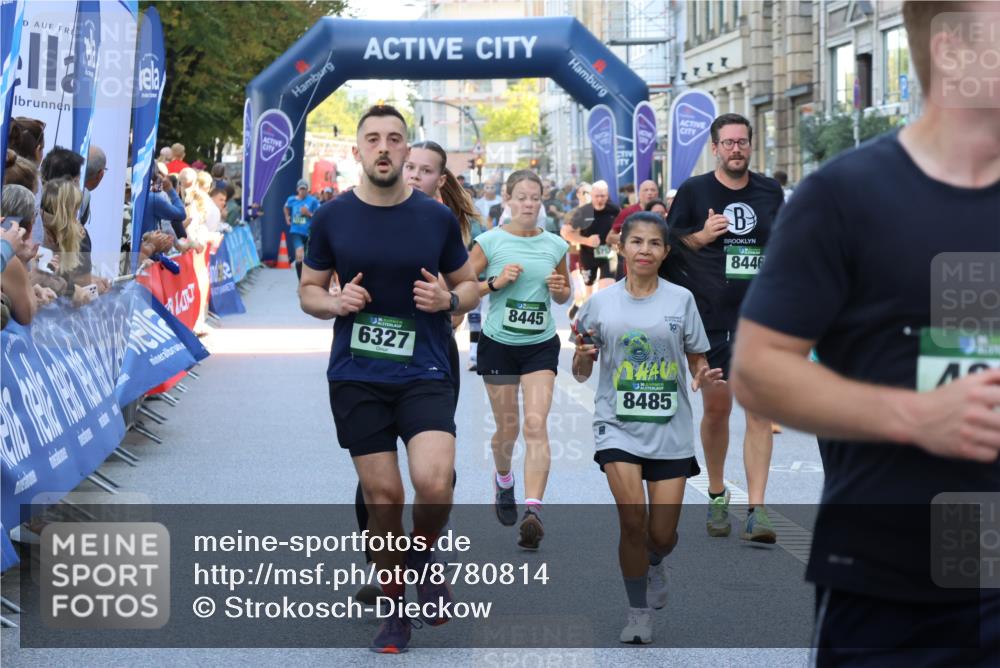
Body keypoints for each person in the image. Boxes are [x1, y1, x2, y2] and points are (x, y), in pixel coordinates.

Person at [732, 2, 1000, 664]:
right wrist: (914, 416)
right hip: (896, 589)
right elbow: (759, 370)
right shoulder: (846, 197)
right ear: (953, 52)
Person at [298, 104, 479, 654]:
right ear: (357, 152)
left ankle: (421, 556)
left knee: (433, 480)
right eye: (372, 138)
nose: (383, 147)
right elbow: (308, 290)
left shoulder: (435, 218)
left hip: (424, 368)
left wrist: (448, 298)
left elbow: (470, 286)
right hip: (358, 375)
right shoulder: (331, 218)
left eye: (394, 139)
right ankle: (396, 611)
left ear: (406, 150)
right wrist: (333, 302)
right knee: (382, 495)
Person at [573, 211, 723, 644]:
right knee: (632, 520)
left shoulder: (681, 300)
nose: (644, 250)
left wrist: (701, 373)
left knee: (662, 534)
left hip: (669, 426)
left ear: (665, 252)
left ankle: (656, 561)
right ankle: (637, 612)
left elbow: (698, 355)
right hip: (617, 424)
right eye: (636, 242)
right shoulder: (601, 303)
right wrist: (582, 356)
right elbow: (582, 370)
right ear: (621, 247)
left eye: (653, 244)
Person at [346, 138, 475, 605]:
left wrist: (447, 304)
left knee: (434, 469)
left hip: (431, 358)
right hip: (369, 358)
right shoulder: (367, 211)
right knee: (377, 478)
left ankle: (425, 551)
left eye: (425, 170)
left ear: (440, 180)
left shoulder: (443, 225)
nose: (415, 174)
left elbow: (462, 300)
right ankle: (384, 570)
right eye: (412, 166)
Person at [660, 113, 784, 542]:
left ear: (751, 145)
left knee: (760, 414)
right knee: (717, 409)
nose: (736, 149)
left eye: (742, 142)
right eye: (728, 142)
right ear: (715, 147)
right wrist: (702, 236)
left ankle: (758, 509)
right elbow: (666, 246)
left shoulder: (770, 191)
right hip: (709, 318)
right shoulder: (695, 192)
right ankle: (716, 494)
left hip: (759, 318)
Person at [470, 170, 571, 549]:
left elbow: (564, 297)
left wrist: (561, 291)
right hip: (498, 344)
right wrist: (495, 284)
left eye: (535, 198)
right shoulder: (490, 242)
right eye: (522, 197)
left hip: (540, 344)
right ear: (508, 200)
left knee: (535, 424)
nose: (529, 204)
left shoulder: (555, 245)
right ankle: (503, 478)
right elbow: (464, 289)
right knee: (508, 429)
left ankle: (534, 510)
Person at [562, 180, 619, 311]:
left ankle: (605, 319)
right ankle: (587, 319)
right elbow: (567, 233)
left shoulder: (614, 210)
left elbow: (624, 228)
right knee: (589, 293)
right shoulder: (583, 212)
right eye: (597, 196)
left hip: (608, 254)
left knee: (607, 288)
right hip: (588, 256)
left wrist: (616, 238)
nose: (600, 199)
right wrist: (587, 240)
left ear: (607, 195)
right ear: (592, 195)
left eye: (603, 196)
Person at [284, 179, 320, 280]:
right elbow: (286, 207)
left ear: (307, 190)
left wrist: (308, 214)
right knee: (299, 254)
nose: (302, 191)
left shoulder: (313, 201)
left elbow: (319, 215)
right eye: (301, 189)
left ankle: (308, 278)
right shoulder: (291, 199)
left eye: (304, 189)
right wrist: (287, 217)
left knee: (308, 258)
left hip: (309, 233)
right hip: (296, 232)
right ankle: (301, 281)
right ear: (297, 189)